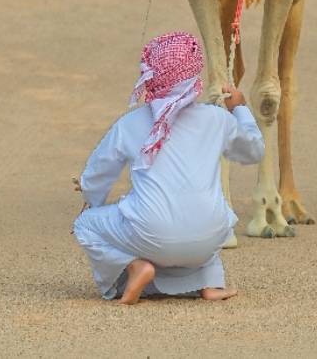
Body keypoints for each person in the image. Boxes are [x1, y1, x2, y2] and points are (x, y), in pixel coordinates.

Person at [72, 31, 264, 304]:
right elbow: (253, 151)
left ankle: (135, 266)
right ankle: (210, 282)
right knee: (204, 209)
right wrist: (240, 109)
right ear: (194, 75)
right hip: (209, 238)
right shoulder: (217, 119)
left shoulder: (131, 123)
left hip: (151, 234)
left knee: (85, 226)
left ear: (151, 76)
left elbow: (97, 174)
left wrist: (91, 201)